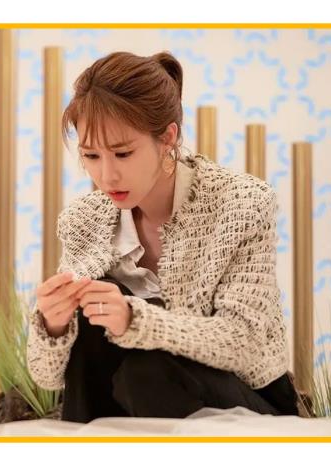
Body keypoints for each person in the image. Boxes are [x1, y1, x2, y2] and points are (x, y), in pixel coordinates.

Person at [26, 50, 302, 423]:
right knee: (92, 308)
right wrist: (54, 325)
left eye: (123, 153)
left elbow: (243, 343)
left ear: (167, 137)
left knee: (146, 373)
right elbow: (47, 376)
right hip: (125, 402)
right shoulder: (83, 220)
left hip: (243, 401)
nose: (106, 176)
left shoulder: (241, 203)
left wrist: (135, 320)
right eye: (91, 156)